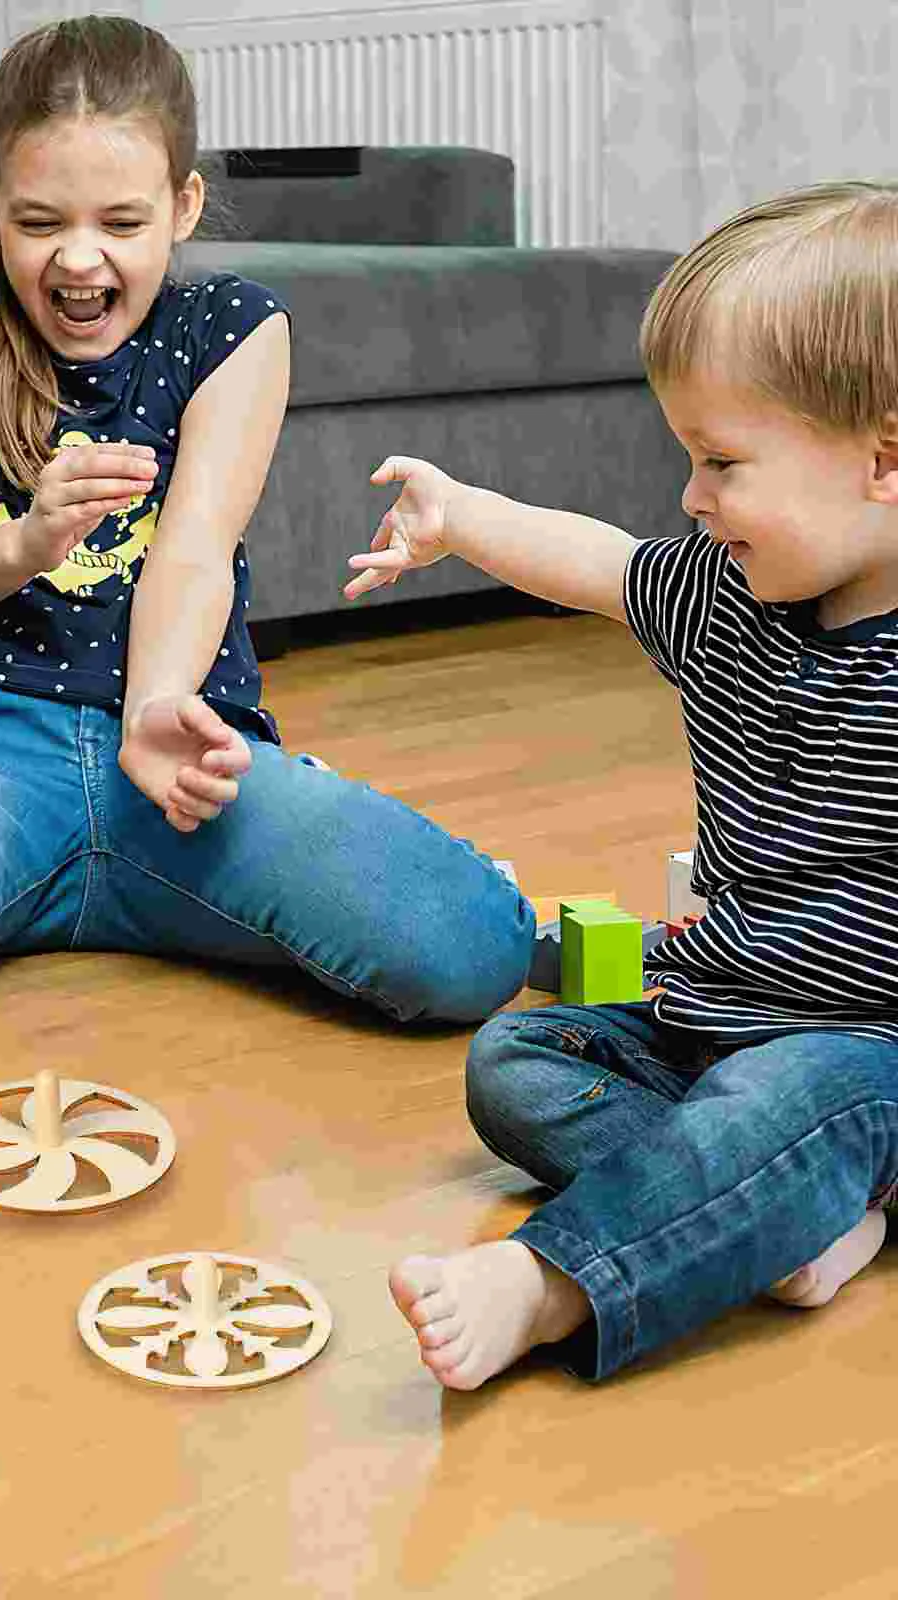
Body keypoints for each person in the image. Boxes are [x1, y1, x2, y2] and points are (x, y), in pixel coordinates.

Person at [0, 15, 533, 1034]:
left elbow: (189, 555)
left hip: (170, 756)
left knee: (471, 945)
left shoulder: (232, 328)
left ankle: (7, 880)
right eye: (39, 222)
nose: (78, 259)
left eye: (120, 224)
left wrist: (158, 711)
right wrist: (23, 544)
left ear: (183, 207)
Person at [359, 181, 898, 1388]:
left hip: (868, 1059)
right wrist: (460, 515)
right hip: (716, 1017)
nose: (692, 499)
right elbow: (598, 561)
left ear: (884, 463)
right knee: (516, 1067)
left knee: (796, 1085)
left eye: (720, 462)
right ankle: (770, 1208)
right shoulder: (724, 597)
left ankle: (550, 1283)